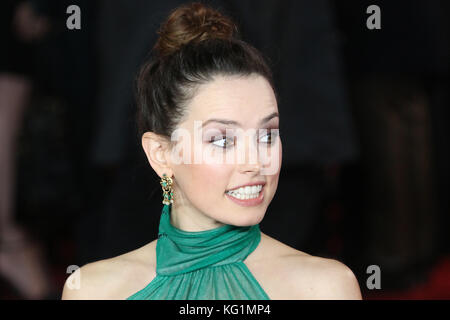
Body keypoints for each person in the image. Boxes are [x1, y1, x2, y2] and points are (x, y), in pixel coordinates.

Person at [62, 2, 361, 300]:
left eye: (267, 135)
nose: (255, 162)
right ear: (161, 154)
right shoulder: (92, 290)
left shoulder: (326, 288)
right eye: (222, 140)